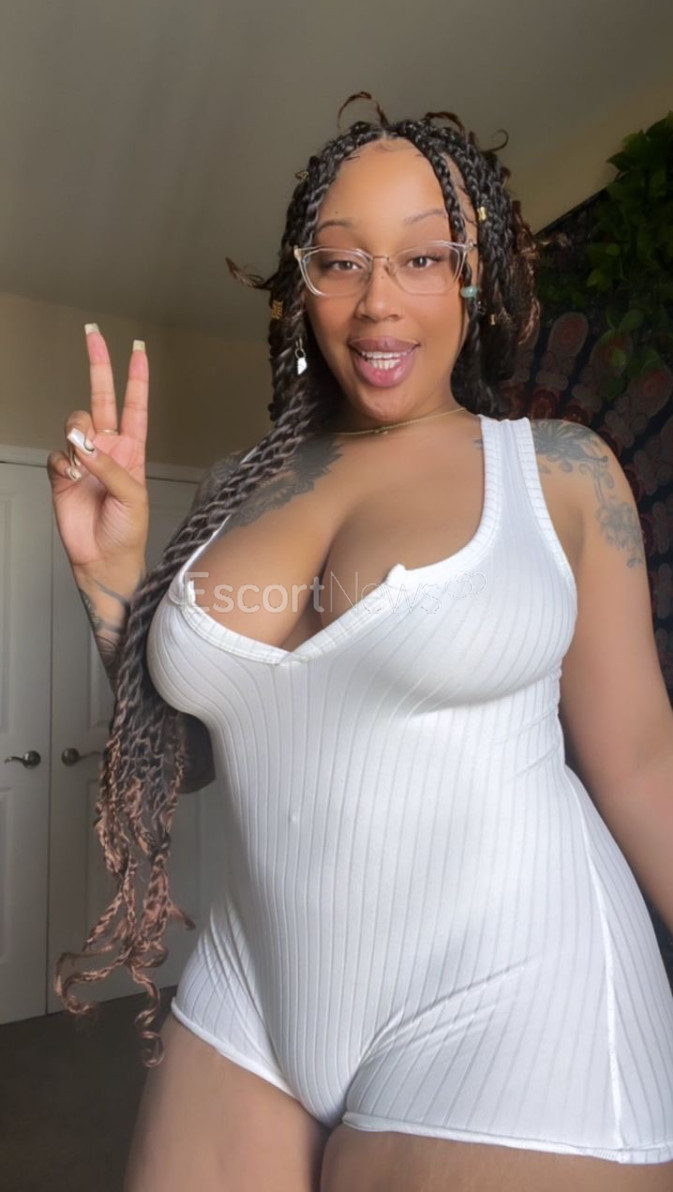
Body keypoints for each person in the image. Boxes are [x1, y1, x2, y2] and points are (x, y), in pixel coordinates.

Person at [46, 93, 673, 1191]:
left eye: (423, 259)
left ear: (475, 280)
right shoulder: (235, 491)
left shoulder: (556, 472)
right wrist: (112, 581)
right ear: (303, 285)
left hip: (516, 997)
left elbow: (638, 760)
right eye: (341, 263)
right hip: (255, 994)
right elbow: (194, 760)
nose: (379, 301)